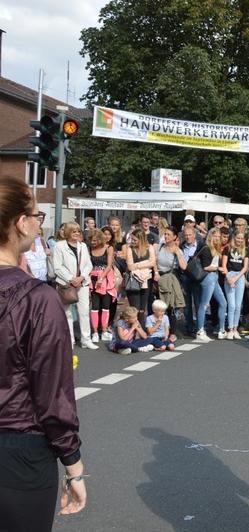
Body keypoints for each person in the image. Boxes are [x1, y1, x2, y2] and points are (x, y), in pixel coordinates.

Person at [0, 180, 87, 531]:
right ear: (21, 223)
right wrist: (73, 463)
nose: (40, 224)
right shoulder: (37, 299)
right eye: (37, 216)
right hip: (19, 449)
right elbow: (52, 394)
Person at [52, 222, 98, 349]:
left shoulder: (83, 246)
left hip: (82, 283)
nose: (77, 233)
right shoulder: (59, 246)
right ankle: (70, 340)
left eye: (78, 231)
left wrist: (81, 277)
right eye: (74, 231)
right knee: (67, 313)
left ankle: (86, 340)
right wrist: (71, 279)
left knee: (84, 311)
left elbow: (88, 264)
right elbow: (57, 267)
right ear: (68, 232)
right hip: (66, 284)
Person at [194, 228, 227, 342]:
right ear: (210, 237)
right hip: (208, 278)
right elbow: (206, 267)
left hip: (214, 278)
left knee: (223, 303)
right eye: (215, 236)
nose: (217, 238)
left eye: (218, 236)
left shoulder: (215, 249)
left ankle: (222, 330)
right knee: (204, 304)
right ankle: (200, 331)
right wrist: (219, 268)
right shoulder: (207, 248)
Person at [153, 227, 187, 335]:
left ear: (175, 237)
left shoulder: (178, 250)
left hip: (170, 280)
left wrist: (178, 253)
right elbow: (154, 261)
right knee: (159, 306)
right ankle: (160, 331)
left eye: (168, 234)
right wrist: (156, 273)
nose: (166, 236)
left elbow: (184, 266)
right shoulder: (159, 247)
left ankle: (172, 332)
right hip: (159, 279)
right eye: (165, 234)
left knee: (170, 307)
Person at [86, 228, 116, 343]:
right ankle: (94, 332)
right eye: (91, 240)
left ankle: (104, 331)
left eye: (94, 240)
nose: (92, 242)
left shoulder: (109, 248)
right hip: (93, 279)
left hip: (106, 279)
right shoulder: (89, 249)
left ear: (99, 239)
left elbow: (109, 265)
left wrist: (102, 277)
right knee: (94, 307)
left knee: (105, 307)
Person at [221, 231, 249, 339]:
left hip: (240, 277)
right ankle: (230, 328)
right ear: (234, 238)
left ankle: (235, 329)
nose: (240, 240)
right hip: (229, 275)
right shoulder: (227, 249)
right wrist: (228, 278)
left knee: (238, 305)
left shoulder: (245, 250)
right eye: (238, 238)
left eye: (242, 238)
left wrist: (236, 279)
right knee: (231, 305)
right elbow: (224, 265)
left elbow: (245, 267)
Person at [125, 228, 156, 325]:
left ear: (141, 239)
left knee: (142, 308)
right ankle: (134, 328)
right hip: (133, 280)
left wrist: (137, 265)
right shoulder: (130, 249)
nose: (132, 241)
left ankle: (140, 328)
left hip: (146, 280)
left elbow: (153, 262)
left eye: (135, 240)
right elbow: (130, 266)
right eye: (132, 239)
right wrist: (146, 263)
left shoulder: (149, 247)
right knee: (135, 308)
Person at [179, 226, 201, 337]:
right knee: (186, 304)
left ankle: (199, 326)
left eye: (190, 235)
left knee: (198, 303)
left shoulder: (200, 246)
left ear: (194, 235)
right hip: (185, 277)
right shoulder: (181, 247)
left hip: (196, 277)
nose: (188, 237)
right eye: (186, 235)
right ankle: (189, 327)